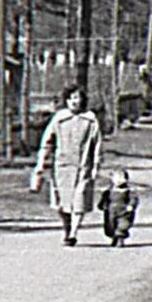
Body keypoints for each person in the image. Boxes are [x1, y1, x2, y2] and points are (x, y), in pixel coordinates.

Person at [28, 83, 105, 247]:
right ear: (66, 100)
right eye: (71, 98)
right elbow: (47, 142)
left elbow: (97, 144)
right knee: (62, 203)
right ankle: (67, 227)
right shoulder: (59, 118)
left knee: (79, 201)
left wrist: (96, 166)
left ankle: (73, 234)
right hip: (62, 167)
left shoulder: (90, 120)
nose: (74, 102)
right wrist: (41, 163)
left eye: (77, 98)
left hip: (83, 166)